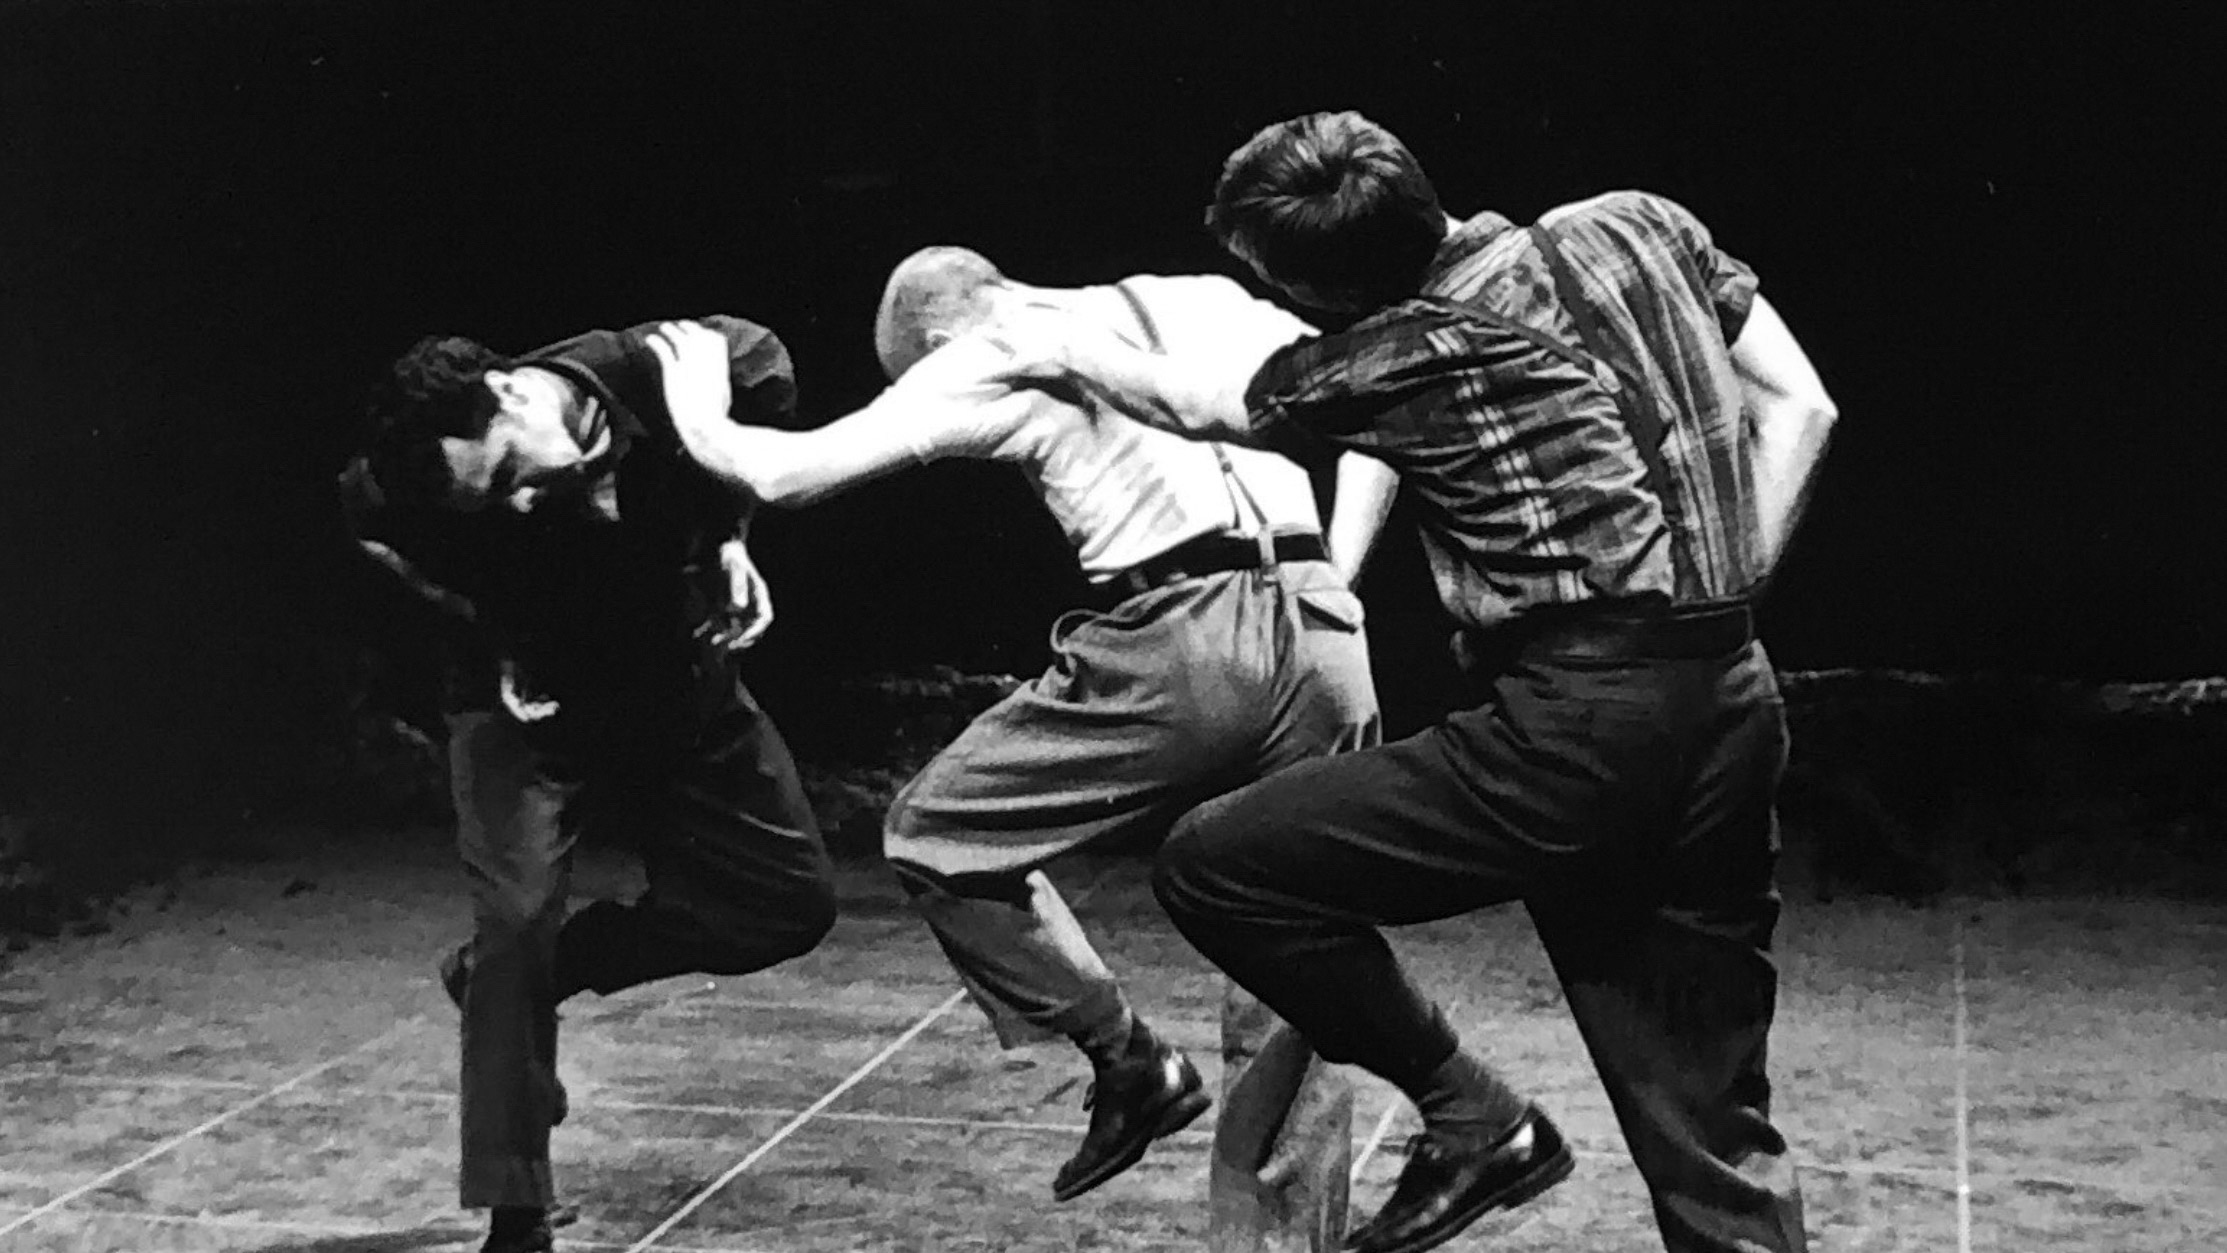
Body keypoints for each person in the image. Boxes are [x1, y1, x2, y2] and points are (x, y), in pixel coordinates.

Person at [983, 110, 1837, 1253]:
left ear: (1319, 292)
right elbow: (1804, 406)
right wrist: (1712, 594)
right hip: (1729, 694)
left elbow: (1195, 406)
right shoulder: (1639, 224)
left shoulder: (1399, 351)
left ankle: (1473, 1116)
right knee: (1706, 1114)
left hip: (1573, 728)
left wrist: (1040, 340)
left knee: (1218, 865)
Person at [641, 245, 1398, 1251]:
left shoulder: (988, 345)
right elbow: (1387, 408)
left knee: (937, 831)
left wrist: (688, 395)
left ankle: (1126, 1055)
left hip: (1185, 636)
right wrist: (1335, 574)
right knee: (1296, 960)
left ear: (933, 333)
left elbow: (780, 473)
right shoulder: (1202, 297)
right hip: (1326, 633)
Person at [338, 315, 837, 1253]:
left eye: (511, 475)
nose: (521, 505)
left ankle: (523, 978)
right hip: (526, 703)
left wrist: (730, 531)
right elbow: (371, 527)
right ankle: (516, 1211)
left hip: (667, 672)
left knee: (788, 905)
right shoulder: (406, 478)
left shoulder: (658, 373)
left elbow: (766, 367)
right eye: (493, 502)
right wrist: (488, 630)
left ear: (513, 391)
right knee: (516, 918)